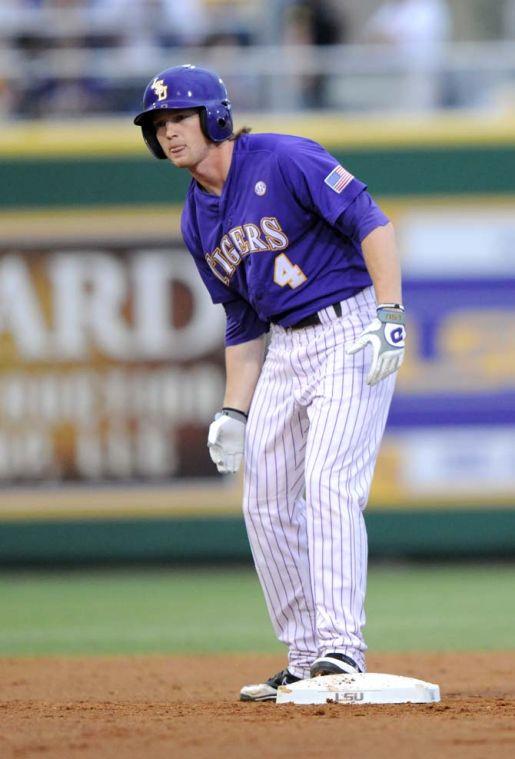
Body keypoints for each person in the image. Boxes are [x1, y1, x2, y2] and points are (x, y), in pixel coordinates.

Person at [134, 64, 406, 702]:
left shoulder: (284, 157)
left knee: (330, 484)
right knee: (264, 502)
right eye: (158, 125)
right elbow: (241, 318)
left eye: (180, 118)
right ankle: (306, 651)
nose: (170, 133)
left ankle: (341, 646)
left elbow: (372, 221)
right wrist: (235, 410)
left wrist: (391, 314)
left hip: (349, 328)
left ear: (216, 117)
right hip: (284, 345)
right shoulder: (195, 219)